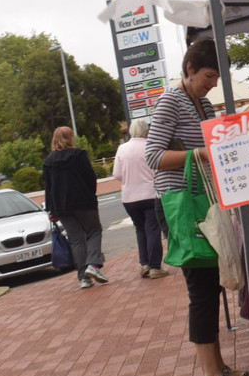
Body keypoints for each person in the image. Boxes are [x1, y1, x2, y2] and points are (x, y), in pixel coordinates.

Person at [145, 38, 249, 376]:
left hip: (205, 204)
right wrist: (198, 153)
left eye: (216, 77)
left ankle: (220, 368)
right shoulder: (170, 101)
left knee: (210, 285)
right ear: (190, 68)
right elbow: (153, 157)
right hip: (182, 206)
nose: (212, 83)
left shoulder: (203, 103)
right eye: (208, 75)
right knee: (202, 290)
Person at [43, 126, 109, 289]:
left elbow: (48, 187)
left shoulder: (48, 161)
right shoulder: (79, 155)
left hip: (62, 207)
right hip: (83, 202)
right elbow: (90, 177)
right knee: (94, 231)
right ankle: (93, 265)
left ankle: (83, 278)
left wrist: (51, 208)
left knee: (76, 239)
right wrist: (90, 194)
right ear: (70, 138)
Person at [112, 118, 167, 279]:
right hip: (150, 194)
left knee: (140, 229)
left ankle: (144, 264)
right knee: (153, 229)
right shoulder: (150, 146)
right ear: (146, 132)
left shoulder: (122, 149)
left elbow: (117, 174)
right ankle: (155, 266)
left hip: (129, 197)